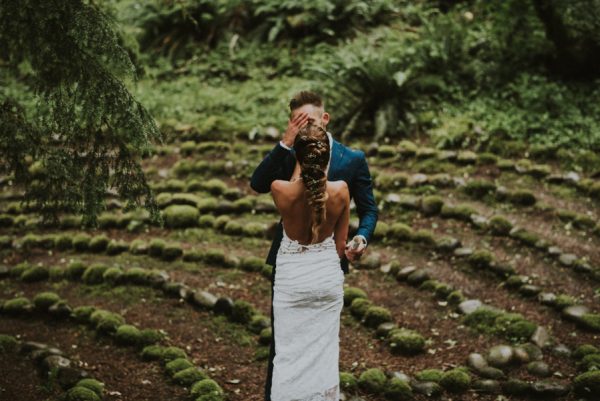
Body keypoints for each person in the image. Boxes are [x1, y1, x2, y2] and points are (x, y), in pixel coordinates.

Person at [249, 90, 378, 401]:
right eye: (298, 120)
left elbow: (370, 209)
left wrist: (361, 238)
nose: (305, 125)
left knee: (321, 346)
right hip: (294, 266)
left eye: (310, 119)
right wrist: (286, 143)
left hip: (321, 266)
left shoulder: (352, 160)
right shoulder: (288, 152)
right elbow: (256, 183)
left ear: (326, 118)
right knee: (284, 345)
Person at [269, 123, 348, 400]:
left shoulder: (280, 189)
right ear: (327, 157)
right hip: (326, 277)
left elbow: (297, 185)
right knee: (325, 356)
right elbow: (340, 246)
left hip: (293, 280)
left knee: (288, 356)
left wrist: (298, 161)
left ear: (298, 157)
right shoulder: (341, 191)